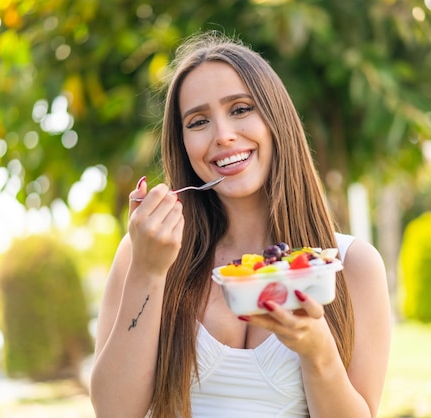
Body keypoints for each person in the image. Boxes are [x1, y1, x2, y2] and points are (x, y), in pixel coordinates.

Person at [90, 31, 391, 418]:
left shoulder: (352, 266)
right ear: (182, 143)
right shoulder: (145, 252)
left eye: (240, 109)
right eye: (198, 121)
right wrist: (147, 270)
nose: (223, 135)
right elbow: (113, 412)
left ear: (275, 120)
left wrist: (317, 350)